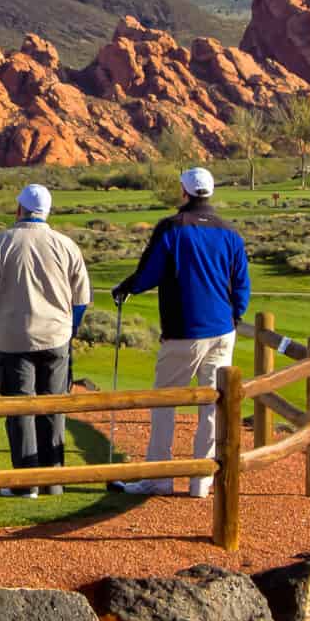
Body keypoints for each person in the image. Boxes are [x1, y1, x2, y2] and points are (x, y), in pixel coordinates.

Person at [111, 166, 250, 496]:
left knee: (164, 403)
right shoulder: (230, 232)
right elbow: (241, 286)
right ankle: (201, 481)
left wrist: (126, 287)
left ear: (184, 192)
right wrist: (232, 317)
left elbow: (148, 273)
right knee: (212, 407)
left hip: (184, 332)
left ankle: (159, 477)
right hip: (222, 331)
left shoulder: (171, 228)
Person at [0, 182, 93, 499]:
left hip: (14, 339)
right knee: (53, 406)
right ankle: (53, 481)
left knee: (20, 408)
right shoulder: (66, 244)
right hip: (56, 337)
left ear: (19, 209)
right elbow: (81, 299)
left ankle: (26, 484)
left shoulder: (1, 242)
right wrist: (71, 329)